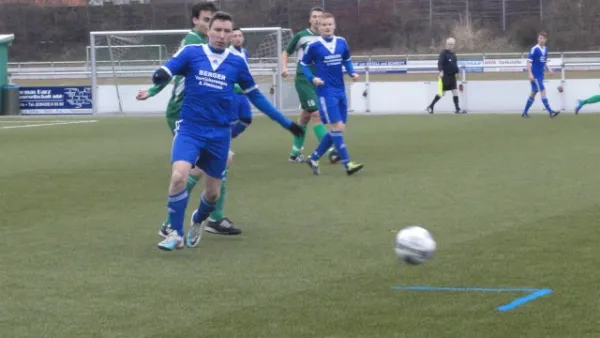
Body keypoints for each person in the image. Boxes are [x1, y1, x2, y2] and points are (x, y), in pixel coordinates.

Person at [153, 11, 304, 251]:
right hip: (190, 128)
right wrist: (159, 76)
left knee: (212, 195)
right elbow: (169, 68)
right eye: (218, 30)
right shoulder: (192, 52)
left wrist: (286, 123)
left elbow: (255, 95)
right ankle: (175, 233)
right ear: (209, 31)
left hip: (219, 134)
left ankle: (199, 219)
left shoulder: (237, 61)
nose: (223, 36)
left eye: (228, 31)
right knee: (179, 175)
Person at [136, 2, 242, 236]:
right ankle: (175, 223)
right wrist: (153, 90)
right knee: (192, 170)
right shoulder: (195, 43)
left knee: (222, 161)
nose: (211, 27)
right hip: (184, 112)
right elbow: (170, 70)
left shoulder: (211, 46)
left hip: (201, 114)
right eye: (206, 21)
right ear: (195, 21)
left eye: (212, 22)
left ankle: (212, 215)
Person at [301, 12, 364, 176]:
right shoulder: (314, 46)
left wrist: (352, 72)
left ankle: (313, 157)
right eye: (324, 25)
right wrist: (312, 78)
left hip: (340, 90)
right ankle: (348, 163)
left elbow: (347, 59)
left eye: (330, 24)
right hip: (325, 92)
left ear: (334, 26)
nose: (327, 27)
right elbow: (304, 64)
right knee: (336, 127)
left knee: (339, 128)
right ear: (319, 27)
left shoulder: (342, 42)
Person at [281, 6, 338, 163]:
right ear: (310, 19)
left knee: (305, 118)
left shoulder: (326, 38)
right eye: (314, 16)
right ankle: (331, 151)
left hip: (319, 81)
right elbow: (286, 52)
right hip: (304, 79)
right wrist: (284, 68)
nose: (317, 19)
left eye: (320, 16)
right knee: (316, 114)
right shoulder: (301, 36)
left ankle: (294, 153)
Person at [521, 31, 560, 118]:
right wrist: (530, 74)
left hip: (540, 75)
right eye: (540, 38)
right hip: (535, 76)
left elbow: (544, 61)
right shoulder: (534, 49)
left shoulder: (546, 49)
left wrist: (548, 68)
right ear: (537, 39)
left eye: (543, 38)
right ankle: (551, 112)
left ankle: (524, 113)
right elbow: (528, 62)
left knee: (533, 93)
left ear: (545, 40)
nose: (541, 40)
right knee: (543, 91)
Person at [427, 37, 466, 114]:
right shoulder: (443, 53)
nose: (450, 46)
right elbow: (440, 63)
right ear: (446, 44)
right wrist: (441, 71)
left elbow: (454, 65)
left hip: (452, 76)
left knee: (455, 91)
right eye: (449, 44)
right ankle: (431, 106)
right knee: (442, 93)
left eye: (452, 44)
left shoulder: (453, 54)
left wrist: (457, 73)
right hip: (445, 76)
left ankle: (457, 109)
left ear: (454, 45)